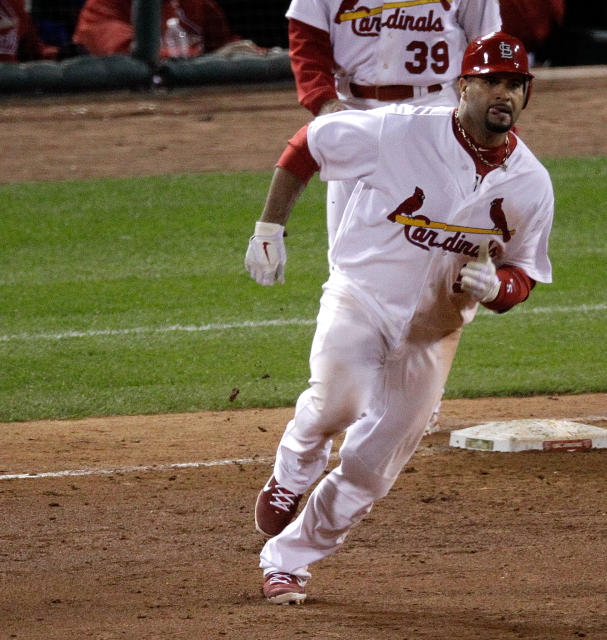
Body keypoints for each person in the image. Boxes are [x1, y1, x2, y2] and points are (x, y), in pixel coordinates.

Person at [244, 31, 554, 605]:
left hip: (433, 335)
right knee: (337, 403)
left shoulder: (531, 184)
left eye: (514, 84)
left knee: (371, 468)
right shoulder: (400, 130)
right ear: (464, 86)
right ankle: (295, 464)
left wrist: (496, 288)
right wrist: (270, 227)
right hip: (360, 298)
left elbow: (526, 275)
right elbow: (308, 143)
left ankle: (289, 561)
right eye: (491, 82)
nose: (503, 94)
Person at [285, 0, 502, 433]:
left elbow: (487, 44)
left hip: (439, 119)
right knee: (349, 265)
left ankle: (418, 393)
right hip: (355, 117)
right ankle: (349, 390)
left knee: (433, 263)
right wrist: (325, 103)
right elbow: (306, 38)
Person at [72, 0, 263, 58]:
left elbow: (224, 44)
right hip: (123, 106)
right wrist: (213, 58)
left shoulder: (196, 5)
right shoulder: (101, 7)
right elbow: (130, 54)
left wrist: (261, 54)